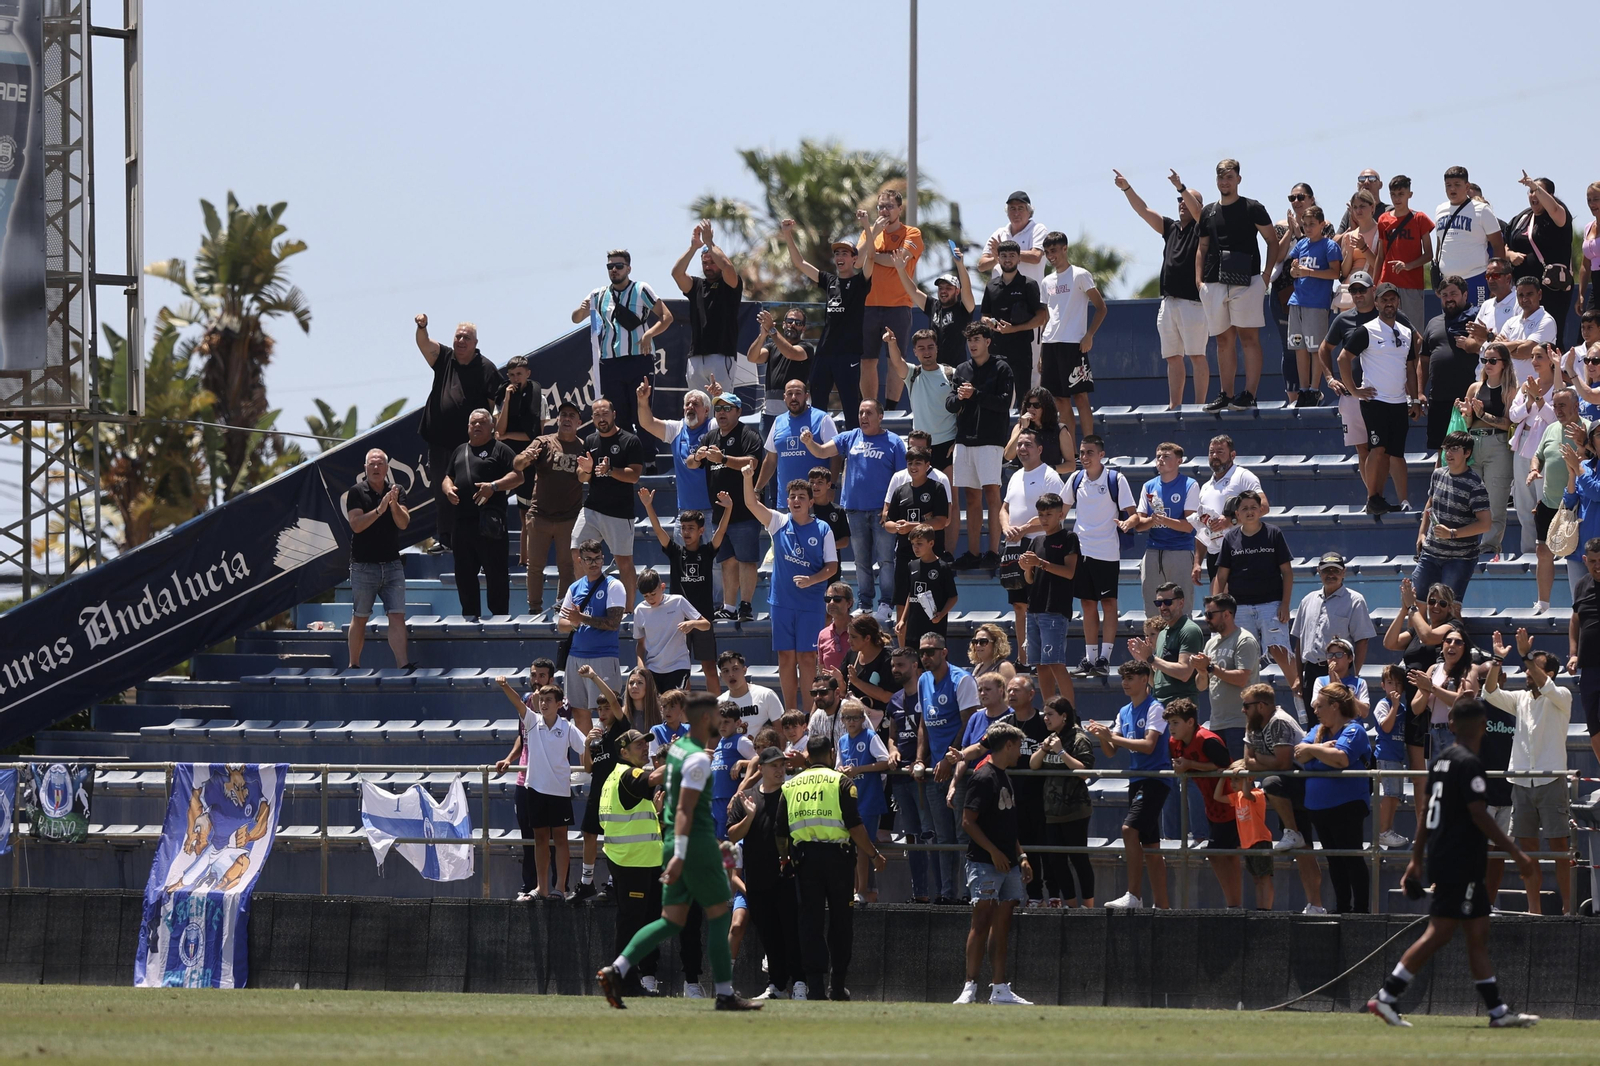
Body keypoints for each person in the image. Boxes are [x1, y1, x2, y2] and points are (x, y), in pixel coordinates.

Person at [1366, 699, 1541, 1029]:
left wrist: (1416, 861)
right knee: (1441, 931)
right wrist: (1516, 854)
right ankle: (1386, 996)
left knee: (1478, 930)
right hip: (1461, 860)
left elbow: (1425, 816)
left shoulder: (1442, 762)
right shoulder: (1469, 763)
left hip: (1447, 857)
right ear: (1484, 725)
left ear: (1451, 726)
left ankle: (1497, 1012)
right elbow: (1479, 814)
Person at [597, 693, 761, 1012]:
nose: (720, 719)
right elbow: (686, 808)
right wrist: (683, 854)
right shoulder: (696, 757)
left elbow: (671, 795)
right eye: (715, 715)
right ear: (704, 719)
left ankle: (616, 969)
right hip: (692, 845)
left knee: (671, 920)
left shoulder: (677, 754)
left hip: (673, 839)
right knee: (718, 914)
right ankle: (725, 994)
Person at [778, 734, 887, 1001]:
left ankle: (815, 987)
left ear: (807, 754)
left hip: (804, 861)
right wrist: (873, 855)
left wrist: (785, 860)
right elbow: (855, 827)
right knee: (841, 922)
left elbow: (780, 832)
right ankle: (837, 987)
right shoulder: (841, 782)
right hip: (838, 861)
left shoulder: (790, 786)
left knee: (810, 923)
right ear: (831, 754)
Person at [1485, 631, 1575, 915]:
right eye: (1526, 666)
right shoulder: (1520, 698)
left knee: (1560, 849)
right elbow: (1489, 692)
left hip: (1551, 781)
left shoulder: (1562, 696)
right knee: (1527, 852)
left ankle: (1568, 911)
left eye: (1533, 666)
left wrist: (1525, 654)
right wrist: (1498, 659)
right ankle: (1533, 911)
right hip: (1521, 783)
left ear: (1548, 673)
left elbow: (1546, 686)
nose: (1527, 670)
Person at [740, 467, 839, 713]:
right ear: (787, 501)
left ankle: (808, 714)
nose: (796, 501)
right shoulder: (778, 522)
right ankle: (790, 714)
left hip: (811, 603)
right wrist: (747, 477)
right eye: (792, 496)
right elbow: (751, 504)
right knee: (785, 657)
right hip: (782, 602)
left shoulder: (823, 529)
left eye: (801, 497)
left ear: (811, 502)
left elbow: (832, 567)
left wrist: (812, 579)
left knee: (807, 659)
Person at [801, 399, 906, 621]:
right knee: (861, 560)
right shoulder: (850, 437)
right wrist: (810, 442)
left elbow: (901, 481)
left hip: (882, 513)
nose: (863, 417)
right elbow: (821, 452)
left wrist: (890, 509)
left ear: (880, 416)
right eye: (860, 413)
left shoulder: (894, 442)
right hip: (855, 511)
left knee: (886, 560)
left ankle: (886, 603)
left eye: (869, 412)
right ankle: (865, 603)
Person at [952, 723, 1034, 1006]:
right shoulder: (983, 776)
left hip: (1009, 864)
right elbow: (968, 822)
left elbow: (1008, 824)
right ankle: (970, 987)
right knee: (981, 921)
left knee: (1002, 925)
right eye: (1018, 745)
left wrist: (1020, 856)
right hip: (985, 863)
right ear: (1008, 744)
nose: (1020, 751)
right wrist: (994, 853)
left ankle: (999, 988)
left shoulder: (1004, 776)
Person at [1115, 167, 1208, 408]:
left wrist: (1181, 187)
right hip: (1168, 302)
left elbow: (1199, 214)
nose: (1182, 204)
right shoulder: (1170, 227)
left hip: (1193, 303)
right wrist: (1127, 188)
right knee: (1173, 357)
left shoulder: (1203, 227)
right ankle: (1174, 405)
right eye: (1179, 200)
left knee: (1197, 355)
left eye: (1187, 200)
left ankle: (1199, 406)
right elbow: (1143, 210)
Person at [1197, 159, 1279, 411]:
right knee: (1222, 340)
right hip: (1214, 282)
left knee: (1249, 338)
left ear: (1238, 179)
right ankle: (1226, 394)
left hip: (1247, 281)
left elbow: (1271, 241)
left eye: (1229, 176)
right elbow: (1202, 247)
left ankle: (1250, 394)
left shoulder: (1252, 207)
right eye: (1221, 177)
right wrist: (1198, 281)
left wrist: (1265, 276)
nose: (1225, 181)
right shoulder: (1208, 211)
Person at [416, 314, 503, 551]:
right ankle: (445, 540)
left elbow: (499, 403)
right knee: (442, 492)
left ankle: (477, 539)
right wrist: (422, 326)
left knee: (470, 491)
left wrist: (493, 431)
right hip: (439, 442)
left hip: (470, 447)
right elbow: (424, 344)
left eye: (466, 337)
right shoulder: (444, 357)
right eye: (458, 336)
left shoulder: (486, 368)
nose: (461, 340)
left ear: (475, 343)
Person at [1088, 660, 1171, 910]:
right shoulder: (1123, 711)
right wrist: (1104, 737)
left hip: (1155, 779)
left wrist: (1112, 737)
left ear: (1146, 679)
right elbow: (1111, 751)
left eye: (1131, 677)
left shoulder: (1155, 708)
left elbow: (1148, 746)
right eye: (1123, 677)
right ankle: (1163, 906)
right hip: (1136, 780)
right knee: (1151, 845)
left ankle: (1134, 895)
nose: (1125, 682)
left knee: (1128, 830)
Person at [496, 678, 585, 900]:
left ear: (559, 704)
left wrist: (590, 767)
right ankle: (541, 888)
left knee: (561, 841)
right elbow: (517, 702)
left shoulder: (568, 727)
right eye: (541, 700)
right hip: (535, 790)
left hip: (560, 792)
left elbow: (585, 747)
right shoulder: (532, 721)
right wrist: (505, 685)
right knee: (540, 840)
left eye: (548, 700)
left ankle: (561, 889)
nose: (543, 704)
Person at [725, 747, 803, 1000]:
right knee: (769, 936)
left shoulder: (791, 795)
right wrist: (749, 817)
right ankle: (777, 985)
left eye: (782, 765)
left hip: (788, 878)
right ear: (761, 769)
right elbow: (733, 834)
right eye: (774, 766)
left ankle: (800, 982)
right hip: (757, 880)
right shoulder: (745, 798)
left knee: (792, 933)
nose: (780, 770)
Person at [573, 249, 672, 443]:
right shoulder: (598, 294)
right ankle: (628, 457)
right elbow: (576, 318)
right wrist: (581, 310)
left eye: (619, 266)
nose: (614, 270)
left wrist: (649, 334)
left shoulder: (641, 289)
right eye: (610, 266)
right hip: (610, 362)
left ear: (628, 268)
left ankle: (649, 458)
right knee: (618, 413)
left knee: (642, 411)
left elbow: (667, 317)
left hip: (638, 359)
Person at [1338, 284, 1420, 515]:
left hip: (1399, 402)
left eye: (1392, 299)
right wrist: (1353, 390)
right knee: (1377, 448)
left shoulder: (1406, 332)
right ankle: (1373, 498)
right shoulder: (1366, 330)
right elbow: (1343, 358)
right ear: (1376, 303)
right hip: (1375, 401)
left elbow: (1411, 368)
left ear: (1398, 302)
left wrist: (1413, 400)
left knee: (1397, 453)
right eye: (1384, 300)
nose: (1388, 304)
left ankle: (1403, 501)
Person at [780, 218, 870, 428]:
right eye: (837, 253)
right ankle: (816, 448)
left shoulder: (860, 282)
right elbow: (800, 264)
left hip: (849, 354)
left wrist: (867, 226)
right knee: (818, 406)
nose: (839, 257)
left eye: (845, 253)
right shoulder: (830, 281)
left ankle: (851, 454)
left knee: (850, 405)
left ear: (854, 258)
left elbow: (872, 257)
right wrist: (787, 235)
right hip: (824, 353)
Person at [639, 488, 731, 695]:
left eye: (691, 528)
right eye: (683, 528)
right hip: (678, 622)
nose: (686, 532)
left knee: (709, 668)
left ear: (701, 530)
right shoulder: (675, 552)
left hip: (702, 618)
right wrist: (648, 505)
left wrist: (729, 509)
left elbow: (722, 532)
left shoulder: (707, 552)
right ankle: (684, 712)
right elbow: (658, 530)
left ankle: (715, 712)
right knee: (682, 670)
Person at [598, 728, 666, 996]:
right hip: (633, 862)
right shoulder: (629, 773)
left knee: (633, 921)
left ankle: (629, 979)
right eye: (638, 745)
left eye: (646, 744)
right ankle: (622, 981)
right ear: (623, 752)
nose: (645, 748)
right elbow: (654, 776)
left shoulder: (613, 778)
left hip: (633, 861)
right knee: (631, 923)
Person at [1293, 682, 1371, 913]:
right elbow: (1299, 754)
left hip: (1347, 805)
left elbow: (1341, 759)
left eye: (1320, 706)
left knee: (1351, 858)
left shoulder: (1354, 730)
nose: (1315, 711)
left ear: (1335, 706)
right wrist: (1322, 749)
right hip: (1319, 807)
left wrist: (1315, 750)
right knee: (1334, 861)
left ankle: (1361, 912)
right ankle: (1342, 908)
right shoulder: (1318, 731)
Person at [1243, 682, 1322, 911]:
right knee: (1303, 850)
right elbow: (1247, 760)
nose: (1243, 710)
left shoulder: (1279, 721)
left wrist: (1258, 760)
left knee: (1270, 782)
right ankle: (1315, 905)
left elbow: (1284, 763)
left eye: (1246, 706)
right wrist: (1262, 761)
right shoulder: (1254, 722)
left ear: (1261, 705)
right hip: (1284, 788)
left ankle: (1292, 832)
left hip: (1300, 784)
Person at [915, 633, 981, 904]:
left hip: (959, 769)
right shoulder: (922, 680)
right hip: (934, 770)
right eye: (922, 652)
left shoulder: (961, 680)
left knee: (962, 833)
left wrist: (947, 759)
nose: (926, 656)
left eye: (931, 651)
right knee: (941, 837)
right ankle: (945, 893)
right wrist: (921, 758)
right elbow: (924, 723)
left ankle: (967, 892)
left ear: (944, 653)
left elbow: (968, 723)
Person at [1213, 491, 1298, 695]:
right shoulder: (1230, 538)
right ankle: (1249, 706)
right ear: (1237, 514)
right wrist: (1215, 609)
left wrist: (1285, 604)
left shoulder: (1274, 534)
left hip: (1272, 605)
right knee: (1244, 656)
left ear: (1261, 510)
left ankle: (1300, 695)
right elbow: (1221, 576)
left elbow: (1287, 572)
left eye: (1253, 507)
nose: (1249, 512)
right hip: (1240, 607)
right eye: (1244, 508)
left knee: (1281, 651)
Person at [690, 391, 765, 621]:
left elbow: (752, 461)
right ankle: (729, 607)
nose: (721, 413)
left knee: (746, 561)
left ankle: (746, 607)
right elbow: (691, 463)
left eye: (727, 409)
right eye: (718, 409)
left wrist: (722, 459)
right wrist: (698, 457)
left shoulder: (748, 434)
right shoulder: (710, 436)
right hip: (720, 515)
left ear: (739, 412)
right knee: (726, 562)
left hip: (744, 511)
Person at [441, 409, 522, 619]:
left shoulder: (500, 449)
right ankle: (470, 617)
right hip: (462, 523)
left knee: (496, 576)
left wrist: (494, 486)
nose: (477, 426)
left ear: (491, 426)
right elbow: (448, 476)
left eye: (482, 423)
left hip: (490, 524)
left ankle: (500, 618)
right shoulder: (459, 451)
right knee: (464, 575)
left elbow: (518, 477)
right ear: (468, 427)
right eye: (473, 423)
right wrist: (448, 488)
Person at [1067, 434, 1136, 676]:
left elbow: (1133, 512)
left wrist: (1128, 524)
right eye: (1082, 452)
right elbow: (1061, 509)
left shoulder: (1116, 478)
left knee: (1108, 604)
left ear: (1101, 455)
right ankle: (1090, 657)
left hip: (1106, 551)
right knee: (1087, 605)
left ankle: (1104, 659)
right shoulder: (1075, 479)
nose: (1084, 457)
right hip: (1082, 551)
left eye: (1089, 453)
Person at [948, 323, 1015, 569]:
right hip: (965, 440)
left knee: (992, 494)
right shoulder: (961, 369)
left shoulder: (1001, 368)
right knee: (971, 498)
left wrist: (975, 394)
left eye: (977, 338)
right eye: (969, 340)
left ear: (988, 341)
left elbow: (1003, 403)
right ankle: (974, 553)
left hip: (991, 440)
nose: (972, 344)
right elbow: (951, 403)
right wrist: (958, 399)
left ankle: (994, 552)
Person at [1165, 697, 1242, 908]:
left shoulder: (1208, 740)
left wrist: (1190, 764)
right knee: (1224, 855)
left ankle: (1234, 905)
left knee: (1223, 854)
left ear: (1190, 722)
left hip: (1228, 803)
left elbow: (1225, 766)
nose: (1171, 728)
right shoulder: (1174, 743)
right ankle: (1234, 904)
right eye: (1169, 723)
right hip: (1210, 805)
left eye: (1175, 722)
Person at [999, 428, 1066, 662]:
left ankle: (1041, 658)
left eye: (1027, 444)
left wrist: (1026, 529)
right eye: (1019, 444)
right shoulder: (1016, 476)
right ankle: (1023, 658)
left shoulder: (1050, 476)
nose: (1022, 449)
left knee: (1037, 607)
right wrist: (1007, 527)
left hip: (1039, 546)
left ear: (1039, 449)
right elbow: (1004, 508)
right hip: (1014, 548)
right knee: (1019, 605)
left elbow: (1059, 513)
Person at [513, 400, 586, 615]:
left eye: (572, 416)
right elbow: (517, 464)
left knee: (567, 567)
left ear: (579, 422)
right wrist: (525, 458)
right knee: (534, 567)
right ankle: (534, 609)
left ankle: (561, 608)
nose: (566, 418)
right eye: (563, 414)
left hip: (569, 518)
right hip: (539, 517)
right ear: (557, 419)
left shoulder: (584, 446)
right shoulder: (543, 442)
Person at [573, 397, 644, 609]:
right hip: (592, 508)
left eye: (605, 414)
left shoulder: (630, 440)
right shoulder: (590, 441)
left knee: (624, 562)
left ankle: (629, 609)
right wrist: (586, 469)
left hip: (619, 512)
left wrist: (610, 471)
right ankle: (582, 603)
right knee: (577, 552)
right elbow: (580, 477)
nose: (601, 419)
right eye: (596, 415)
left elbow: (634, 476)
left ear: (614, 414)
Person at [344, 448, 412, 669]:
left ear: (386, 468)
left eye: (380, 464)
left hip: (392, 565)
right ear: (365, 468)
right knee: (361, 616)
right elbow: (356, 525)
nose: (375, 467)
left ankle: (403, 665)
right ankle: (354, 664)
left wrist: (392, 505)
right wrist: (379, 510)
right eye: (371, 464)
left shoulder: (397, 490)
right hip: (364, 566)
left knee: (397, 616)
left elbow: (403, 523)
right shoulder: (356, 492)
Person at [673, 220, 752, 401]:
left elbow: (727, 267)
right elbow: (677, 274)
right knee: (695, 407)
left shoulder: (731, 284)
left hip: (721, 356)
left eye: (712, 262)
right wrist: (694, 248)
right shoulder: (697, 285)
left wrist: (710, 243)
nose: (708, 266)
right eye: (705, 262)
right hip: (696, 358)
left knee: (722, 406)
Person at [858, 188, 923, 411]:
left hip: (898, 305)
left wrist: (872, 257)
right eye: (881, 207)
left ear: (900, 209)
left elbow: (900, 261)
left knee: (896, 360)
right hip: (867, 305)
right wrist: (873, 234)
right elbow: (857, 262)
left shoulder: (912, 232)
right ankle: (869, 407)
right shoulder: (870, 232)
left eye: (889, 206)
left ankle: (892, 409)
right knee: (867, 360)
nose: (884, 211)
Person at [573, 668, 633, 902]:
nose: (604, 711)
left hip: (616, 793)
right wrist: (587, 744)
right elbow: (588, 768)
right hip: (597, 791)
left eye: (607, 707)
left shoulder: (620, 728)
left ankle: (612, 882)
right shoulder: (597, 736)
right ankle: (587, 883)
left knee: (613, 837)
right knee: (589, 833)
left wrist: (594, 677)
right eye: (600, 708)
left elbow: (614, 703)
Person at [1037, 231, 1105, 438]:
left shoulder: (1080, 275)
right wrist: (1041, 352)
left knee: (1081, 396)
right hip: (1050, 344)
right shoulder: (1046, 282)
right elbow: (1046, 318)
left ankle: (1089, 444)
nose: (1051, 256)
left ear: (1065, 249)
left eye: (1054, 251)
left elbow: (1101, 308)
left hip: (1073, 344)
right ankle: (1071, 451)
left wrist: (1089, 335)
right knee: (1059, 400)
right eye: (1048, 252)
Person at [1030, 697, 1096, 907]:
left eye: (1050, 714)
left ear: (1064, 716)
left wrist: (1061, 751)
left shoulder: (1078, 738)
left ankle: (1088, 907)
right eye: (1044, 714)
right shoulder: (1051, 738)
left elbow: (1084, 772)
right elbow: (1033, 765)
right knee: (1056, 861)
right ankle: (1071, 905)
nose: (1045, 718)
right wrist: (1043, 749)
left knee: (1079, 860)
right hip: (1051, 811)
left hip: (1075, 810)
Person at [1291, 551, 1376, 710]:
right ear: (1318, 571)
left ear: (1343, 573)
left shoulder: (1355, 601)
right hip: (1311, 671)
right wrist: (1298, 677)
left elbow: (1362, 641)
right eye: (1326, 570)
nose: (1331, 574)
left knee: (1340, 720)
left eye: (1336, 570)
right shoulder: (1307, 600)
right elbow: (1300, 641)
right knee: (1314, 722)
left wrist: (1352, 676)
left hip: (1339, 672)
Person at [1528, 388, 1589, 612]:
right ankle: (1543, 603)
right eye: (1555, 406)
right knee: (1543, 552)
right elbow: (1538, 455)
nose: (1558, 410)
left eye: (1562, 405)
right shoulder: (1551, 428)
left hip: (1578, 505)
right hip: (1549, 503)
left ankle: (1583, 604)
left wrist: (1584, 446)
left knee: (1580, 555)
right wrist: (1534, 469)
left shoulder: (1589, 429)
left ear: (1576, 406)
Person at [1413, 431, 1492, 600]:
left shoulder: (1475, 485)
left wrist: (1452, 533)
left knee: (1449, 610)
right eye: (1446, 448)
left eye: (1454, 448)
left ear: (1467, 453)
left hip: (1459, 559)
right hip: (1430, 554)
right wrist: (1421, 533)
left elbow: (1485, 524)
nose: (1448, 453)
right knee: (1415, 604)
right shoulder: (1438, 474)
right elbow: (1430, 504)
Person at [883, 646, 933, 902]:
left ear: (915, 666)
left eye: (900, 665)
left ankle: (942, 893)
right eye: (893, 665)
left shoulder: (929, 696)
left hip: (925, 775)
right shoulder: (894, 700)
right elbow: (892, 736)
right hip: (900, 777)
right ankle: (920, 894)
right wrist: (892, 752)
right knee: (912, 834)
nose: (895, 670)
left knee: (930, 833)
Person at [1019, 493, 1079, 705]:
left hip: (1055, 608)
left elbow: (1069, 572)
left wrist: (1040, 563)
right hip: (1034, 608)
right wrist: (1027, 568)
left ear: (1061, 514)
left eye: (1049, 514)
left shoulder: (1069, 538)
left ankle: (1069, 712)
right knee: (1040, 666)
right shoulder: (1037, 541)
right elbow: (1030, 579)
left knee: (1055, 663)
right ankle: (1050, 711)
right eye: (1041, 514)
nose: (1044, 519)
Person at [1458, 339, 1516, 554]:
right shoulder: (1475, 387)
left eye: (1492, 360)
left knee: (1495, 500)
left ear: (1504, 363)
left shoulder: (1510, 390)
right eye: (1484, 360)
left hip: (1498, 445)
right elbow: (1469, 423)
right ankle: (1467, 542)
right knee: (1469, 498)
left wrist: (1484, 415)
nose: (1487, 364)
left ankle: (1489, 546)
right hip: (1473, 442)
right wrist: (1466, 414)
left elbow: (1509, 423)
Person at [1504, 173, 1574, 350]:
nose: (1533, 195)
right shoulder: (1522, 218)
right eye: (1530, 191)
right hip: (1523, 289)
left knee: (1549, 338)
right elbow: (1504, 243)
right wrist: (1510, 254)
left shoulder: (1558, 214)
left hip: (1551, 289)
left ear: (1549, 195)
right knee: (1523, 334)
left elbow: (1555, 210)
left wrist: (1534, 186)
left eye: (1537, 191)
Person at [559, 541, 624, 729]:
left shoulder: (614, 585)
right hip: (575, 657)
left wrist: (582, 618)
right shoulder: (575, 588)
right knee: (579, 712)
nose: (593, 563)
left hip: (603, 656)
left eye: (597, 558)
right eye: (588, 559)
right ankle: (586, 757)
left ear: (603, 559)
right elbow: (562, 625)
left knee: (606, 711)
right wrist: (574, 622)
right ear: (580, 561)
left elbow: (613, 623)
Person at [1284, 207, 1342, 409]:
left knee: (1316, 347)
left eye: (1312, 224)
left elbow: (1335, 273)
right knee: (1299, 347)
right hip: (1296, 302)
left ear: (1322, 224)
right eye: (1305, 224)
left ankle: (1315, 390)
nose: (1308, 228)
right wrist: (1294, 270)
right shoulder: (1300, 245)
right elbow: (1293, 270)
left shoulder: (1329, 246)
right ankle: (1304, 389)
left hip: (1316, 304)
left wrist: (1308, 272)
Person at [1191, 435, 1269, 585]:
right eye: (1211, 452)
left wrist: (1231, 521)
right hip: (1215, 554)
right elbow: (1202, 530)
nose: (1214, 456)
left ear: (1232, 455)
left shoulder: (1243, 476)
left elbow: (1263, 507)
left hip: (1241, 549)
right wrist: (1197, 563)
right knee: (1219, 604)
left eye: (1220, 452)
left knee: (1240, 601)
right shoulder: (1206, 488)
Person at [1132, 441, 1199, 612]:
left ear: (1179, 461)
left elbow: (1188, 527)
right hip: (1153, 551)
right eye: (1158, 456)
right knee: (1153, 608)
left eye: (1166, 456)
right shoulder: (1148, 486)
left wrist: (1161, 519)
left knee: (1180, 607)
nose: (1160, 460)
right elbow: (1139, 526)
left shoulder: (1190, 485)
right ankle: (1155, 639)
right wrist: (1153, 521)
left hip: (1180, 552)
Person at [980, 240, 1048, 407]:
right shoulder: (991, 286)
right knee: (996, 394)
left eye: (1012, 256)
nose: (1007, 259)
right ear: (998, 258)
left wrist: (1014, 329)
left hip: (1021, 349)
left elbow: (1042, 317)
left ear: (1019, 259)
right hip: (995, 349)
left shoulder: (1029, 285)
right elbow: (984, 315)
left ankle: (1024, 431)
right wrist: (988, 322)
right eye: (1003, 256)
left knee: (1023, 396)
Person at [835, 699, 890, 902]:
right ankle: (856, 888)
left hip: (869, 798)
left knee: (863, 845)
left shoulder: (870, 736)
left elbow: (884, 762)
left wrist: (859, 770)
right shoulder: (842, 741)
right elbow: (838, 767)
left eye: (855, 718)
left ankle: (862, 890)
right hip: (850, 802)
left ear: (862, 720)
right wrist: (843, 772)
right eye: (847, 718)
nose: (851, 722)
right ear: (842, 720)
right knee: (851, 845)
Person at [1508, 344, 1560, 555]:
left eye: (1539, 356)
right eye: (1532, 357)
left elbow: (1554, 418)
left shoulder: (1560, 386)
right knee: (1523, 501)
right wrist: (1529, 401)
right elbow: (1513, 415)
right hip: (1523, 444)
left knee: (1545, 500)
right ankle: (1529, 550)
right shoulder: (1526, 386)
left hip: (1547, 445)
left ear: (1551, 360)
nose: (1534, 361)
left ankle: (1552, 550)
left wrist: (1537, 399)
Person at [885, 447, 951, 612]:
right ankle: (902, 633)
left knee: (930, 601)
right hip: (904, 553)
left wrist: (911, 527)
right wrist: (898, 527)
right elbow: (888, 523)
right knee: (902, 599)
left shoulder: (937, 488)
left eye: (918, 463)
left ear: (927, 465)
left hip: (930, 554)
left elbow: (941, 522)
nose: (913, 467)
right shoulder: (900, 490)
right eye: (910, 463)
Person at [1193, 593, 1259, 757]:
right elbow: (1201, 686)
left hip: (1240, 722)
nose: (1206, 619)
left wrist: (1210, 667)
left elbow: (1242, 678)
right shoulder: (1211, 643)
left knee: (1240, 776)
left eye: (1210, 614)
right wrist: (1202, 671)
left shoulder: (1244, 640)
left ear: (1227, 614)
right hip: (1217, 723)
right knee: (1222, 779)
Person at [1421, 277, 1483, 452]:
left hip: (1471, 400)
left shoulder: (1479, 319)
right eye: (1444, 295)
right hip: (1439, 399)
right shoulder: (1433, 323)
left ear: (1465, 294)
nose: (1449, 298)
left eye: (1453, 293)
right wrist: (1419, 391)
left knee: (1471, 451)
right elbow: (1424, 359)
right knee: (1442, 451)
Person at [634, 380, 713, 518]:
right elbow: (647, 423)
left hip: (712, 510)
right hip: (684, 512)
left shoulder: (713, 427)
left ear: (706, 410)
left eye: (695, 404)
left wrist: (721, 395)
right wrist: (642, 401)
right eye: (687, 404)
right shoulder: (676, 428)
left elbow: (730, 420)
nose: (690, 407)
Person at [1433, 166, 1506, 306]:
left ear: (1467, 186)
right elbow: (1440, 244)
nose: (1452, 189)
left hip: (1476, 278)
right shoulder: (1439, 210)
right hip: (1448, 281)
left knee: (1477, 323)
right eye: (1448, 185)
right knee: (1452, 326)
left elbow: (1498, 245)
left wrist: (1497, 280)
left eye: (1457, 185)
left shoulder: (1482, 209)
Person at [758, 378, 837, 504]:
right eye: (789, 394)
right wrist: (757, 490)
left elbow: (835, 456)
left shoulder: (822, 419)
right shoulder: (778, 422)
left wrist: (832, 487)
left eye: (798, 393)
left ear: (806, 396)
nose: (793, 397)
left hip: (816, 501)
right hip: (785, 502)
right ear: (784, 397)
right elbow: (771, 460)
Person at [632, 569, 709, 696]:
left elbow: (706, 625)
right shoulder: (640, 610)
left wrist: (692, 623)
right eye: (646, 596)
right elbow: (640, 643)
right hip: (653, 668)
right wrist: (641, 666)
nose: (650, 599)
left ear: (662, 587)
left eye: (653, 594)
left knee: (674, 705)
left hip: (678, 666)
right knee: (657, 709)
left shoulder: (678, 601)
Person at [893, 329, 960, 475]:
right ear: (915, 352)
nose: (926, 351)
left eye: (930, 347)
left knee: (950, 496)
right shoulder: (912, 374)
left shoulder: (952, 374)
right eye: (921, 348)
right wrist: (892, 343)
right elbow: (897, 362)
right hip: (920, 445)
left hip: (947, 444)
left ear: (937, 348)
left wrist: (958, 441)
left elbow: (965, 410)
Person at [1378, 176, 1434, 332]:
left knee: (1413, 332)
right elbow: (1380, 256)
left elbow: (1429, 254)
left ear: (1410, 194)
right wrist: (1376, 283)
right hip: (1388, 284)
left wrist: (1408, 266)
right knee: (1386, 331)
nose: (1397, 198)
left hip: (1412, 285)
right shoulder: (1383, 220)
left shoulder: (1419, 218)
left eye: (1401, 193)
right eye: (1393, 194)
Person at [897, 524, 958, 653]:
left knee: (933, 662)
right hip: (913, 625)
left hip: (933, 625)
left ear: (931, 543)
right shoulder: (912, 565)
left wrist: (941, 615)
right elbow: (911, 594)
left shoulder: (942, 567)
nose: (915, 548)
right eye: (913, 544)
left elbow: (953, 597)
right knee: (914, 664)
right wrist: (903, 619)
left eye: (919, 544)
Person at [749, 308, 814, 429]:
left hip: (794, 413)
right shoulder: (771, 347)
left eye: (798, 323)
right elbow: (753, 357)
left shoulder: (806, 347)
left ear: (803, 328)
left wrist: (772, 330)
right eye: (790, 321)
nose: (793, 325)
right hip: (769, 413)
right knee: (768, 448)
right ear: (784, 324)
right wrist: (763, 335)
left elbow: (791, 353)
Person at [1371, 665, 1411, 849]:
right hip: (1386, 756)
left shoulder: (1403, 707)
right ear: (1382, 685)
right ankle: (1383, 832)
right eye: (1389, 683)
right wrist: (1394, 707)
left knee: (1395, 796)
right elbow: (1385, 727)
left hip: (1397, 757)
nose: (1394, 687)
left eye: (1398, 684)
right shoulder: (1383, 705)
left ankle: (1386, 831)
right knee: (1389, 795)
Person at [916, 247, 976, 369]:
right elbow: (912, 291)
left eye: (948, 288)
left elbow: (967, 288)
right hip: (934, 368)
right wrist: (901, 269)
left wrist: (960, 264)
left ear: (957, 291)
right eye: (940, 288)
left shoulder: (963, 308)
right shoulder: (933, 305)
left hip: (956, 369)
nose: (943, 291)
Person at [708, 703, 756, 842]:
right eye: (720, 722)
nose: (722, 726)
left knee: (727, 845)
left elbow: (760, 761)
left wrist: (743, 763)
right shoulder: (721, 742)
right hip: (714, 799)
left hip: (728, 799)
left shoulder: (741, 741)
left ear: (737, 723)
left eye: (727, 722)